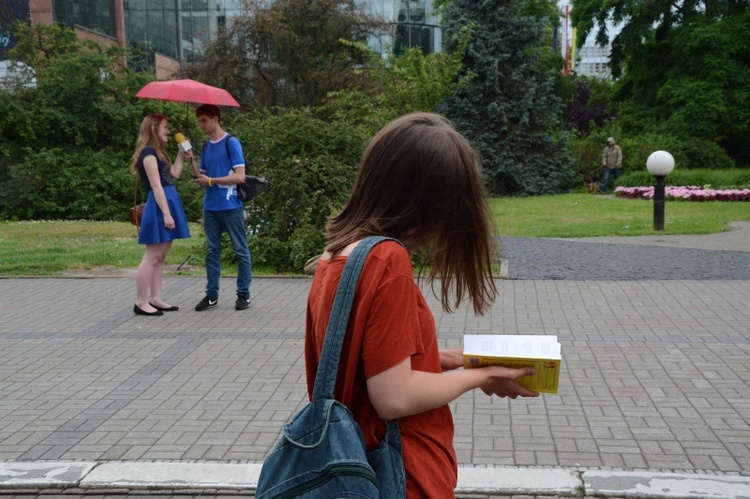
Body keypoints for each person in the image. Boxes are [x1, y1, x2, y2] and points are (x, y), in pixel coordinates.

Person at [304, 112, 539, 498]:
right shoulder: (388, 260)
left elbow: (364, 363)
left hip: (355, 467)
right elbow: (394, 397)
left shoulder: (335, 257)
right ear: (424, 203)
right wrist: (483, 376)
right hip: (401, 475)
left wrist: (447, 358)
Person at [190, 104, 252, 311]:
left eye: (204, 120)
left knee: (240, 250)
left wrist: (210, 181)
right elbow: (203, 175)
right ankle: (211, 295)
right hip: (210, 207)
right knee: (212, 251)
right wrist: (191, 160)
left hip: (230, 205)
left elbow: (240, 176)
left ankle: (243, 294)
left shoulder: (231, 143)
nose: (201, 125)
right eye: (199, 121)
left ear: (215, 119)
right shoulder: (206, 147)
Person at [131, 114, 191, 316]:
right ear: (154, 128)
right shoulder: (147, 153)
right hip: (160, 205)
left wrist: (182, 155)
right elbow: (156, 185)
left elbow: (174, 174)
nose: (168, 131)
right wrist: (166, 214)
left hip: (169, 200)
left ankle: (156, 299)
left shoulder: (159, 152)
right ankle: (141, 302)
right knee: (151, 256)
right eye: (165, 127)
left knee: (161, 256)